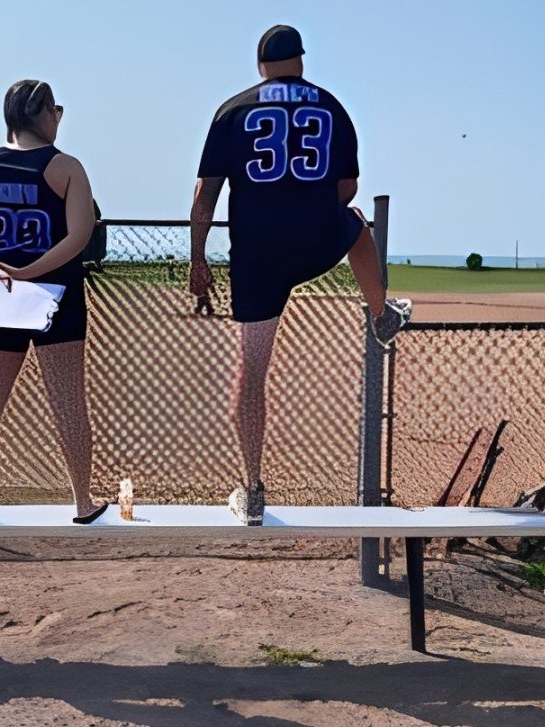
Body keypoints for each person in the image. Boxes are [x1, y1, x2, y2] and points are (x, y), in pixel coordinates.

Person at [189, 25, 411, 526]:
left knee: (251, 371)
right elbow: (347, 189)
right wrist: (306, 206)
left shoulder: (232, 110)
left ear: (260, 65)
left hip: (257, 255)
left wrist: (198, 258)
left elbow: (205, 197)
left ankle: (252, 490)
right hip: (314, 240)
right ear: (301, 62)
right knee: (356, 225)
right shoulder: (330, 106)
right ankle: (381, 313)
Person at [0, 79, 107, 525]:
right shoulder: (66, 167)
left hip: (0, 298)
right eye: (56, 110)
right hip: (56, 297)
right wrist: (32, 270)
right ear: (42, 114)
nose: (58, 118)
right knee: (68, 401)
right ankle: (82, 502)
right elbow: (79, 236)